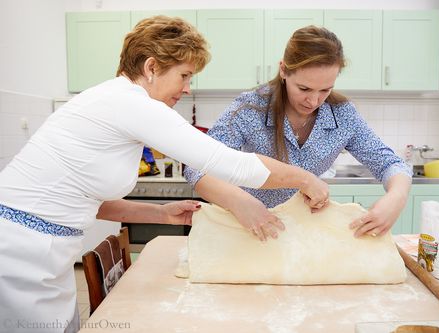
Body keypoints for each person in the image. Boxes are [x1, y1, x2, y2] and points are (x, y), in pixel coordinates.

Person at [0, 17, 329, 333]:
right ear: (151, 67)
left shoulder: (116, 102)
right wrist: (305, 179)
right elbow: (230, 163)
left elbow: (89, 201)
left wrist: (159, 213)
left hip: (42, 252)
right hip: (21, 253)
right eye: (185, 75)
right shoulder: (132, 104)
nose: (187, 88)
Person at [184, 25, 412, 241]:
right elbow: (197, 165)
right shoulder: (250, 108)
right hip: (247, 228)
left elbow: (389, 163)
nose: (314, 101)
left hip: (303, 234)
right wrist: (238, 202)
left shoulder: (343, 115)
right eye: (304, 89)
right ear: (283, 70)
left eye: (325, 90)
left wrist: (396, 198)